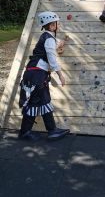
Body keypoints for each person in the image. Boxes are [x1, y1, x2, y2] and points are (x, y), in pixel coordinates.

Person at [18, 11, 70, 141]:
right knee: (35, 101)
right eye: (56, 23)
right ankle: (25, 132)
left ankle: (51, 130)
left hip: (35, 74)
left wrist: (61, 42)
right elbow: (52, 59)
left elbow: (53, 44)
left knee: (43, 100)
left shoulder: (47, 37)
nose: (58, 25)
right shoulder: (48, 39)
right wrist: (60, 75)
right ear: (52, 26)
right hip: (37, 75)